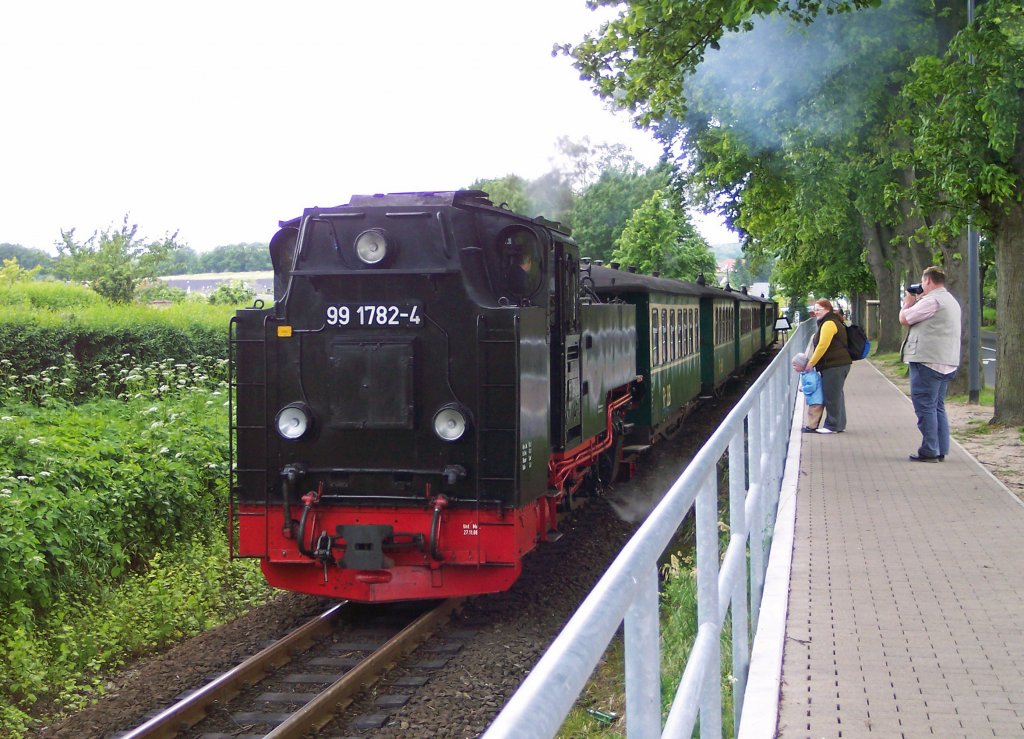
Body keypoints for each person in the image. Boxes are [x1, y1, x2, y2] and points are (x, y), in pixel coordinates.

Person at [899, 266, 962, 463]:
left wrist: (908, 302)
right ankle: (940, 448)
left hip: (927, 361)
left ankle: (929, 450)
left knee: (925, 406)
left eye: (922, 282)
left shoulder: (932, 300)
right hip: (947, 361)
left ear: (927, 281)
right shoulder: (950, 300)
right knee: (937, 406)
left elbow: (905, 318)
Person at [805, 299, 851, 434]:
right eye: (815, 309)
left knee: (831, 396)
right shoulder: (830, 321)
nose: (816, 311)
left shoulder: (829, 323)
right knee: (837, 395)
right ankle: (839, 424)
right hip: (838, 364)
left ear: (827, 309)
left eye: (818, 309)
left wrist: (811, 363)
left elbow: (822, 345)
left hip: (834, 365)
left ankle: (832, 426)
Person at [792, 352, 825, 432]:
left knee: (813, 413)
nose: (793, 367)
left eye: (795, 365)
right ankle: (811, 426)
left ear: (801, 366)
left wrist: (803, 389)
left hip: (816, 399)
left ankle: (812, 427)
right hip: (815, 399)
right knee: (812, 412)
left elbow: (812, 387)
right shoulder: (807, 374)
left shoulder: (810, 375)